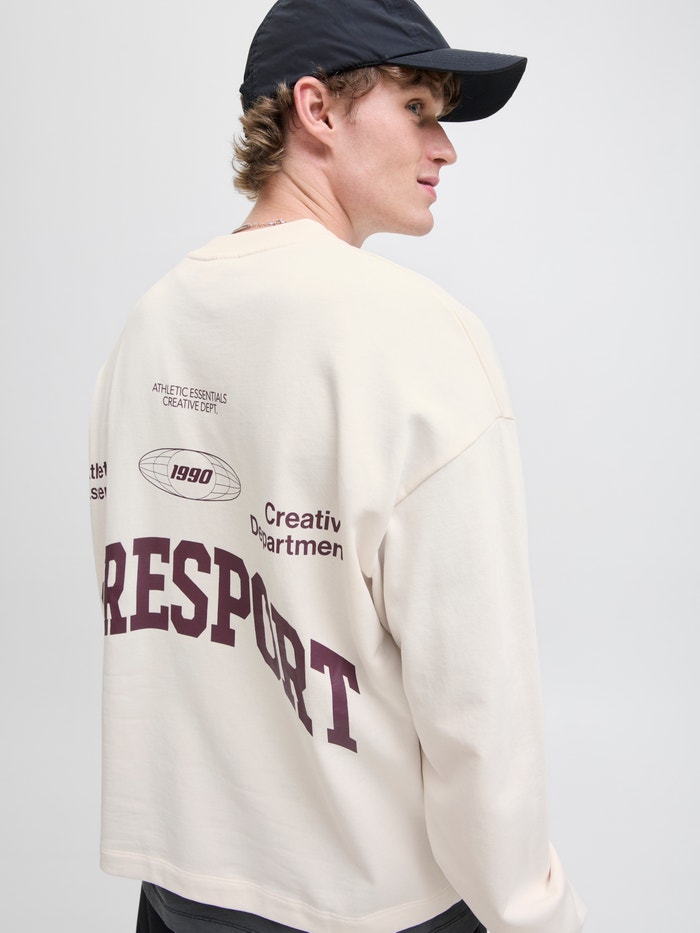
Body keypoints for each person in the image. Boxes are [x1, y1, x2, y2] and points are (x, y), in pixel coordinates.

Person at [89, 1, 587, 931]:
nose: (446, 149)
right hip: (371, 901)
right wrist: (537, 913)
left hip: (181, 888)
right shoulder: (415, 336)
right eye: (418, 108)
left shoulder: (153, 322)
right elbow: (478, 704)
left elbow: (154, 619)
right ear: (316, 108)